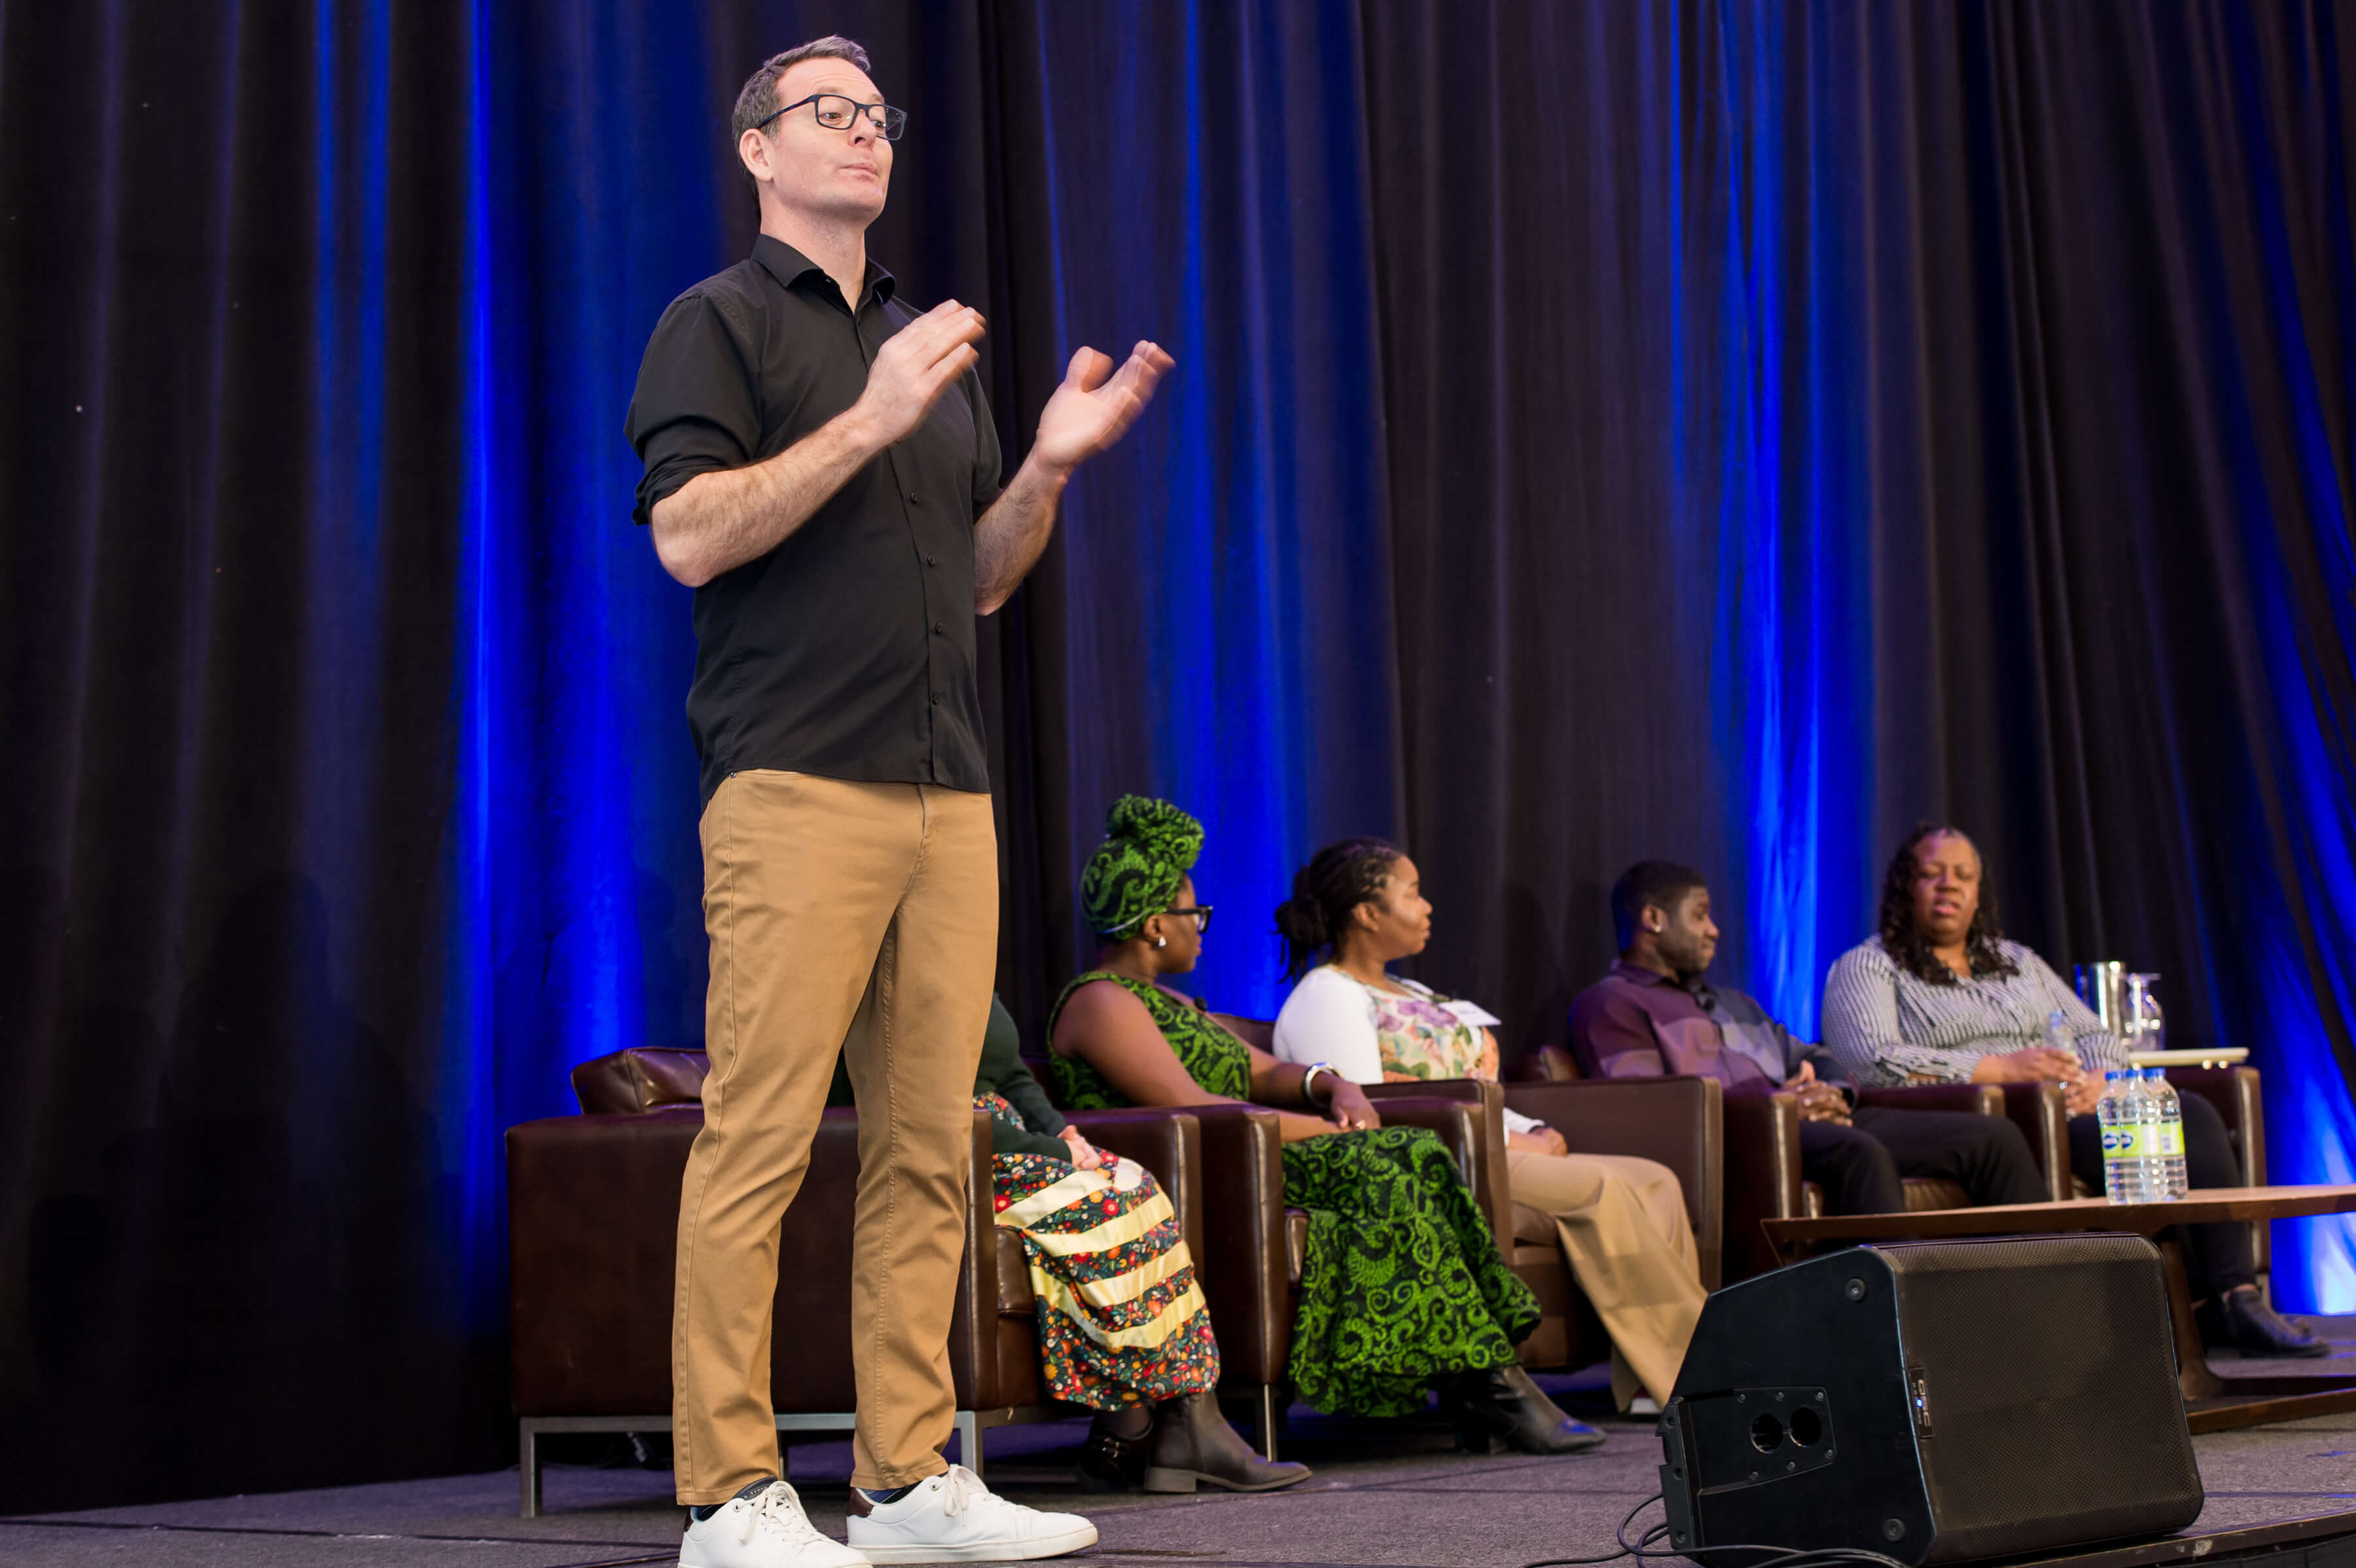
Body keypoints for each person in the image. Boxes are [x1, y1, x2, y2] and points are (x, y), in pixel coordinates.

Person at [626, 35, 1172, 1568]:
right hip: (794, 780)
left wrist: (1046, 470)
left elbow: (982, 578)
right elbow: (689, 537)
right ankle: (729, 1499)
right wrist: (865, 419)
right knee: (759, 1137)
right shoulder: (717, 323)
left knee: (932, 1143)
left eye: (878, 115)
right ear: (758, 149)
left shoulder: (930, 348)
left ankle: (908, 1479)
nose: (865, 133)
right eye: (830, 112)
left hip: (947, 790)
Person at [1047, 798, 1601, 1455]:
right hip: (1207, 1170)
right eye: (1196, 914)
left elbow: (1263, 1073)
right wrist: (1325, 1132)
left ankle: (1486, 1372)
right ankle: (1490, 1383)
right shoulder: (1100, 1001)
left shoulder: (1173, 1002)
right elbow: (1192, 1105)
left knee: (1416, 1151)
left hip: (1252, 1154)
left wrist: (1327, 1084)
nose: (1202, 929)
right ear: (1154, 924)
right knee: (1386, 1159)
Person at [1821, 823, 2325, 1357]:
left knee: (2190, 1115)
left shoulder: (2017, 962)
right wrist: (1997, 1070)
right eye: (1932, 873)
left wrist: (2102, 1082)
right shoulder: (1869, 965)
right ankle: (2068, 1334)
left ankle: (2235, 1299)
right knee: (2037, 1131)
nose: (1949, 885)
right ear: (1905, 887)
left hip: (2064, 1114)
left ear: (1978, 893)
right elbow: (1873, 1058)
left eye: (1963, 876)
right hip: (1985, 1122)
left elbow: (2094, 1034)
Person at [1269, 839, 1706, 1413]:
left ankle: (1651, 1381)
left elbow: (1469, 1083)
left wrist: (1533, 1127)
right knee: (1601, 1187)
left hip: (1491, 1143)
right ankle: (1695, 1379)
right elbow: (1371, 1108)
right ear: (1368, 913)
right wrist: (1509, 1140)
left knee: (1655, 1179)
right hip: (1439, 1159)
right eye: (1413, 894)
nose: (1428, 907)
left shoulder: (1414, 992)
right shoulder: (1328, 996)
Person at [1570, 861, 2048, 1216]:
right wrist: (1778, 1106)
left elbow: (1814, 1054)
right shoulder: (1611, 1003)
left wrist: (1830, 1093)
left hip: (1810, 1121)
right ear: (1654, 920)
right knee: (1860, 1152)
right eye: (1700, 915)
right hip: (1742, 1138)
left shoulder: (1734, 1002)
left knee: (1995, 1138)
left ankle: (2042, 1304)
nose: (1714, 931)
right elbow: (1651, 1108)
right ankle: (1900, 1318)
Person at [969, 997, 1308, 1495]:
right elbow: (928, 1101)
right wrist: (1052, 1151)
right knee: (1102, 1206)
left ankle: (1188, 1416)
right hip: (963, 1153)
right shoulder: (896, 973)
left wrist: (1062, 1134)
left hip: (1019, 1143)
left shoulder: (974, 968)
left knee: (1133, 1183)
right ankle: (1131, 1422)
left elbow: (1014, 1078)